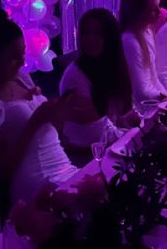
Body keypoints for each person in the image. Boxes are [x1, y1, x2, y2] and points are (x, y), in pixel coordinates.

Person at [0, 6, 79, 204]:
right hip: (35, 182)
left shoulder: (21, 78)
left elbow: (49, 134)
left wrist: (58, 115)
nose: (21, 62)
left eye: (22, 54)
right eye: (13, 58)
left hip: (62, 165)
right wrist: (36, 121)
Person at [59, 8, 138, 151]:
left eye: (98, 34)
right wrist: (137, 135)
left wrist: (130, 120)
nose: (90, 39)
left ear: (111, 38)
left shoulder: (109, 66)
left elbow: (113, 117)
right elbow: (99, 132)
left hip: (107, 145)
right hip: (84, 155)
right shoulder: (74, 76)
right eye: (85, 33)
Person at [118, 0, 165, 103]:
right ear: (139, 13)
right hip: (139, 109)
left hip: (151, 102)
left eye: (158, 6)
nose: (160, 12)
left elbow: (153, 79)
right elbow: (140, 93)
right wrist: (164, 98)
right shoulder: (130, 41)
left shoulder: (147, 32)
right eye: (154, 9)